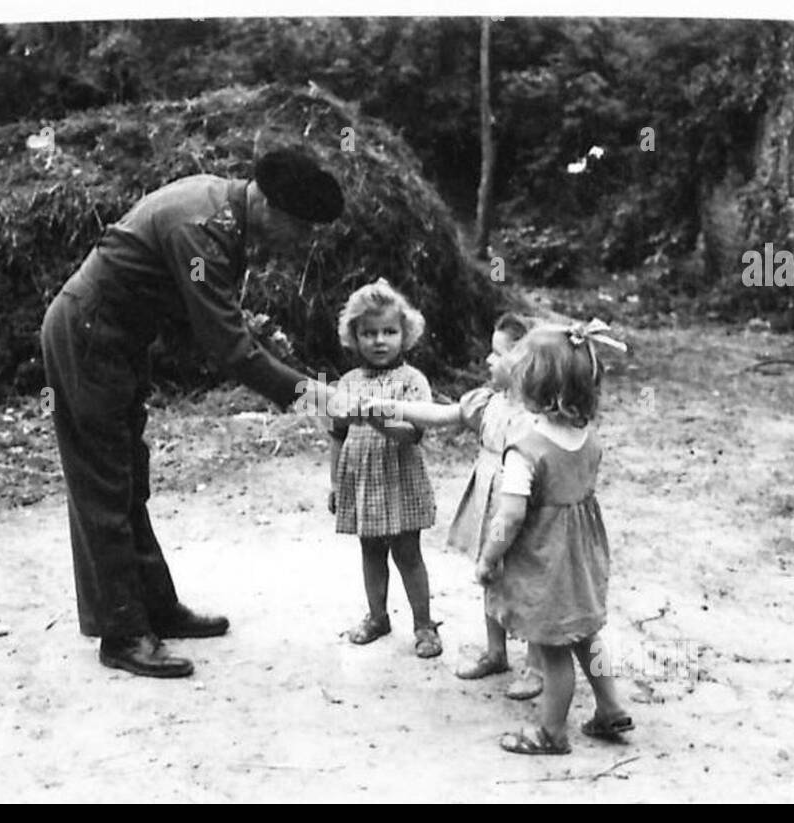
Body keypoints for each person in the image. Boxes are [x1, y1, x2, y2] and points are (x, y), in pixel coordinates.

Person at [41, 147, 344, 679]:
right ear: (270, 206)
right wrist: (311, 395)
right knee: (105, 484)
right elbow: (228, 347)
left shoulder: (223, 209)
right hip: (89, 338)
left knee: (129, 478)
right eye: (299, 229)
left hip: (118, 340)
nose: (299, 244)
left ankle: (154, 608)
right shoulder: (201, 229)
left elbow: (215, 320)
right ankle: (122, 633)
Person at [363, 312, 544, 697]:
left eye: (498, 355)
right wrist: (385, 406)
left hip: (521, 509)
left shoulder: (537, 416)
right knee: (490, 573)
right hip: (492, 505)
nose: (488, 362)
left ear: (526, 362)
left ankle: (537, 665)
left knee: (528, 583)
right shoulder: (489, 402)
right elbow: (441, 415)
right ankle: (496, 652)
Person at [475, 322, 634, 754]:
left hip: (546, 565)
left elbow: (509, 516)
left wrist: (489, 559)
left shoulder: (525, 449)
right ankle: (609, 707)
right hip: (583, 559)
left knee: (552, 651)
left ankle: (551, 732)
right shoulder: (588, 441)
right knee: (586, 636)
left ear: (533, 387)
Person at [328, 278, 442, 659]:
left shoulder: (412, 382)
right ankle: (377, 616)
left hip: (400, 479)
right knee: (370, 550)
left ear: (404, 334)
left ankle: (424, 625)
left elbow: (413, 434)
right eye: (369, 333)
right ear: (354, 336)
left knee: (408, 553)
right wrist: (334, 483)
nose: (379, 341)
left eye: (389, 332)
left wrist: (379, 419)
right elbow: (338, 435)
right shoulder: (347, 383)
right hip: (362, 481)